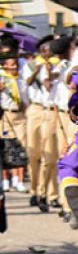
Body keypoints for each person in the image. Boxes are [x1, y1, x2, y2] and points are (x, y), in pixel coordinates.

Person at [24, 36, 69, 213]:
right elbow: (30, 82)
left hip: (55, 112)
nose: (47, 52)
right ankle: (37, 191)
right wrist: (41, 69)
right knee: (38, 155)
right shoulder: (32, 65)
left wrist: (51, 70)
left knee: (55, 156)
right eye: (44, 49)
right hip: (40, 111)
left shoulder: (61, 64)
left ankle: (52, 195)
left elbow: (54, 79)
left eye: (50, 49)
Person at [0, 38, 29, 192]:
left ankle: (19, 178)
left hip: (20, 114)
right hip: (5, 114)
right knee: (6, 146)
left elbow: (25, 95)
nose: (12, 67)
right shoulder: (1, 76)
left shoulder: (21, 76)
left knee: (21, 146)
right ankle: (5, 179)